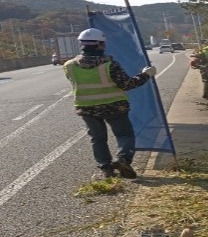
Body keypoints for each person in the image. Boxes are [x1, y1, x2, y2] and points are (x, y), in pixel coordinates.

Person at [63, 28, 157, 179]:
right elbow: (127, 84)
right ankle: (123, 160)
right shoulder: (109, 64)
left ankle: (106, 169)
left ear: (81, 44)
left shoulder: (69, 65)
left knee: (97, 138)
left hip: (86, 108)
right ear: (100, 44)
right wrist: (146, 74)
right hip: (114, 106)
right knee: (124, 134)